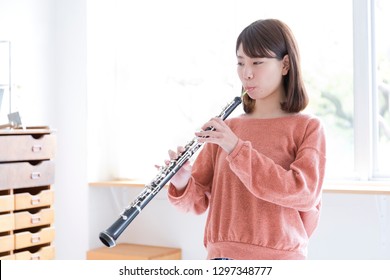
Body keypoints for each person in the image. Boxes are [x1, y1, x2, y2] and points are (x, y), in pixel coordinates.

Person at [166, 19, 326, 260]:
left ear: (285, 64)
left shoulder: (307, 127)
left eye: (257, 62)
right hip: (221, 258)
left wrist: (236, 149)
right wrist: (182, 182)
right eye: (240, 63)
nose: (246, 73)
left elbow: (303, 193)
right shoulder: (228, 128)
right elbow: (197, 203)